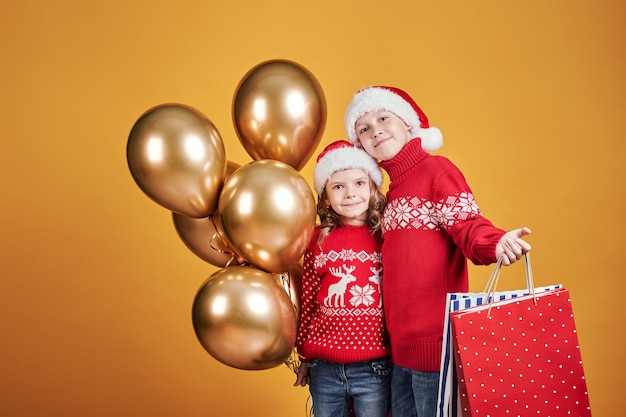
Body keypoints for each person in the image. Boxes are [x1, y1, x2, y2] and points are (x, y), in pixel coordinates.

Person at [343, 86, 532, 417]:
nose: (376, 131)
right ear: (362, 146)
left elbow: (468, 225)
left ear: (408, 124)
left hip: (435, 347)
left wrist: (496, 242)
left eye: (383, 118)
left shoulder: (436, 171)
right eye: (364, 128)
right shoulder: (390, 195)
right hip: (398, 350)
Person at [293, 140, 391, 417]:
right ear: (324, 196)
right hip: (323, 366)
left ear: (373, 188)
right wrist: (304, 355)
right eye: (338, 186)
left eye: (359, 183)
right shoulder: (317, 239)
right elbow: (309, 298)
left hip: (374, 366)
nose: (350, 194)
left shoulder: (387, 237)